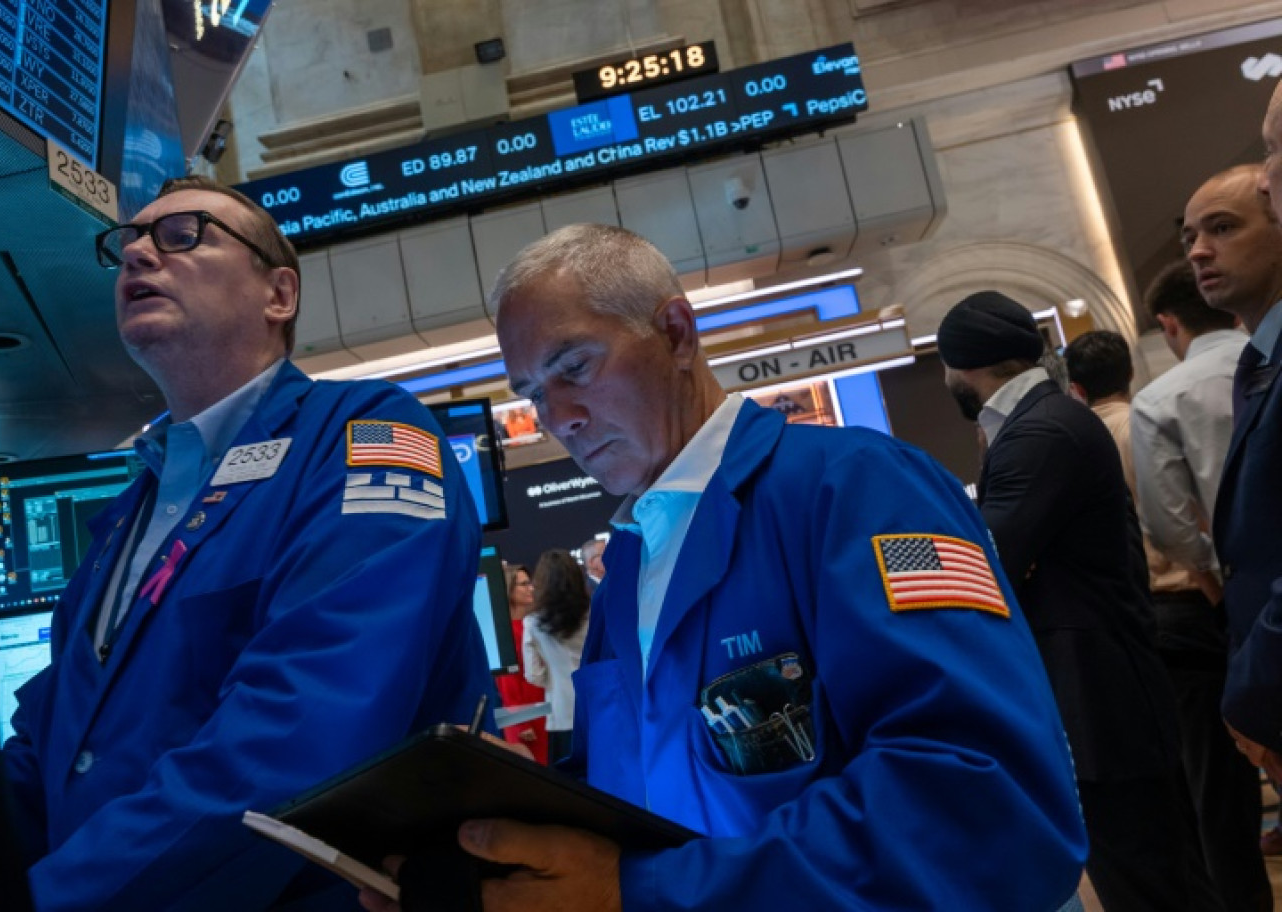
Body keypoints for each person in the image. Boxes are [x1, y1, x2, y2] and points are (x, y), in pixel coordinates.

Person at [365, 224, 1086, 911]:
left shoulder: (858, 489)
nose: (558, 418)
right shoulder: (628, 570)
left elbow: (986, 805)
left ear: (677, 333)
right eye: (530, 395)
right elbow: (648, 797)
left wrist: (647, 894)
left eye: (574, 368)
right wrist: (511, 814)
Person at [0, 176, 496, 911]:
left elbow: (297, 738)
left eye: (180, 235)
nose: (136, 252)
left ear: (279, 295)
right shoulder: (130, 514)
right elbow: (44, 749)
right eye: (128, 241)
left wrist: (50, 898)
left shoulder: (365, 437)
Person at [938, 292, 1221, 912]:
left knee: (1147, 880)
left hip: (1100, 698)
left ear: (962, 364)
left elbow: (987, 565)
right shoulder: (1048, 421)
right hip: (1108, 687)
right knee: (1161, 872)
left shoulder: (1038, 432)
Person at [1069, 322, 1267, 911]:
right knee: (1222, 784)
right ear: (1128, 372)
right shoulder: (1145, 420)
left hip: (1139, 620)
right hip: (1191, 604)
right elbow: (1177, 524)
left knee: (1183, 787)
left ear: (1074, 387)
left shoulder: (1076, 442)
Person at [1203, 149, 1282, 789]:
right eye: (1191, 236)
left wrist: (1252, 689)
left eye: (1223, 228)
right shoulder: (1258, 362)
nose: (1199, 250)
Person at [522, 549, 590, 761]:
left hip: (561, 714)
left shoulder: (532, 623)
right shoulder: (596, 613)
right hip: (598, 709)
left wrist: (553, 681)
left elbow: (534, 675)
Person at [496, 564, 548, 764]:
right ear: (509, 589)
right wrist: (519, 722)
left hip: (541, 712)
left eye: (530, 583)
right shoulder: (506, 632)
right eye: (524, 584)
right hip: (523, 719)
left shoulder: (530, 626)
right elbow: (507, 681)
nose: (531, 588)